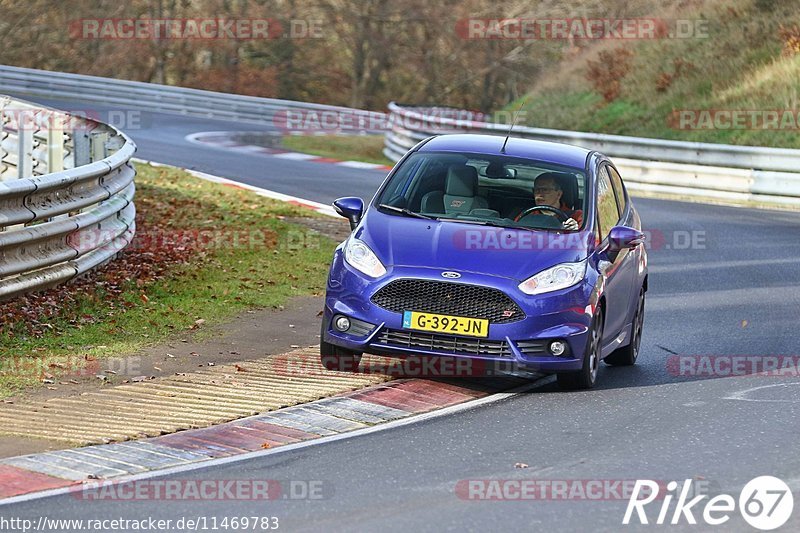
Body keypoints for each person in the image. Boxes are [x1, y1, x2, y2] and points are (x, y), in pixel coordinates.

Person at [514, 173, 583, 230]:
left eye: (545, 190)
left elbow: (585, 238)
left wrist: (576, 230)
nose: (539, 194)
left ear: (559, 194)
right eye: (537, 190)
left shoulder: (577, 216)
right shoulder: (526, 216)